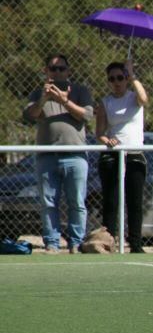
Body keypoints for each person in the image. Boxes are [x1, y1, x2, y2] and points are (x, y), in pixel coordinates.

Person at [23, 54, 93, 254]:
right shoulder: (38, 94)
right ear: (46, 71)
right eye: (53, 69)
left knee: (77, 202)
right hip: (47, 156)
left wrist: (65, 101)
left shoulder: (80, 91)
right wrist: (44, 98)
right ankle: (52, 243)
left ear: (68, 71)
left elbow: (87, 115)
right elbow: (30, 115)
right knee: (48, 203)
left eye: (62, 68)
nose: (58, 72)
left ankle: (76, 243)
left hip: (75, 155)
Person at [95, 60, 148, 253]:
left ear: (126, 79)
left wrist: (133, 76)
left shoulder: (134, 97)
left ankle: (135, 244)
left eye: (120, 78)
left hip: (134, 155)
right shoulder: (105, 102)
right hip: (113, 156)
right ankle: (108, 242)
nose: (116, 82)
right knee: (111, 201)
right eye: (112, 79)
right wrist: (106, 140)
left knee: (134, 201)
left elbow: (144, 98)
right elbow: (99, 132)